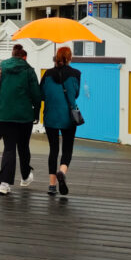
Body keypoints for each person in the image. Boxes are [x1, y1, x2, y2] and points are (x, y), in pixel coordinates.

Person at [0, 44, 41, 196]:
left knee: (9, 148)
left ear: (12, 55)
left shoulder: (2, 67)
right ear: (24, 57)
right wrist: (36, 114)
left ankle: (4, 184)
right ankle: (25, 177)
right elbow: (37, 95)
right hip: (25, 117)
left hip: (5, 115)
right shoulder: (29, 70)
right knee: (23, 147)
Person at [40, 46, 81, 196]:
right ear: (70, 58)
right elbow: (75, 95)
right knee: (67, 148)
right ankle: (62, 171)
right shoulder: (76, 74)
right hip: (68, 117)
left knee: (53, 150)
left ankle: (52, 186)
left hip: (50, 116)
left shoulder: (47, 74)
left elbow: (42, 94)